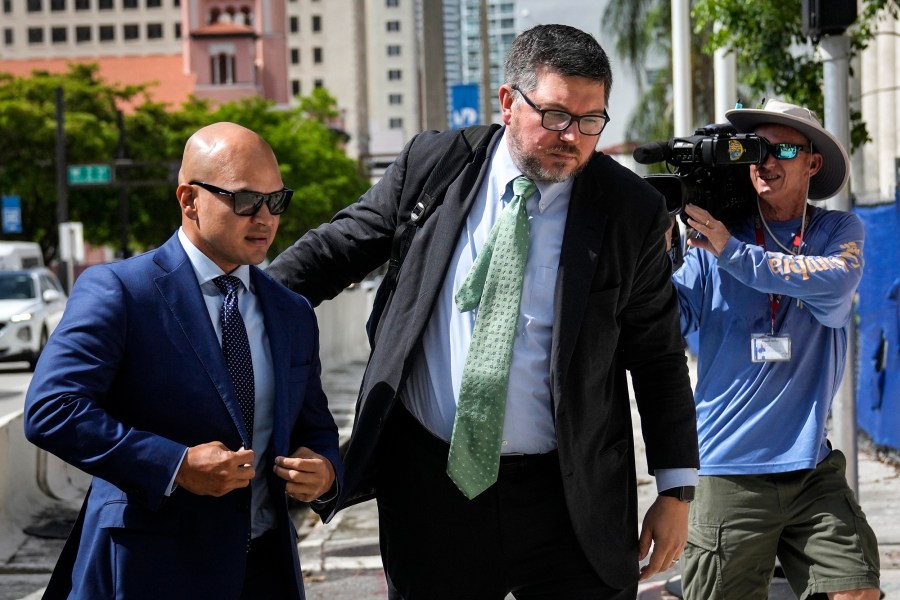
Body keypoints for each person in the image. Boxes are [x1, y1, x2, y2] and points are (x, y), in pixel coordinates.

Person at [267, 24, 699, 599]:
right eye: (554, 116)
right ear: (506, 103)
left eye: (590, 120)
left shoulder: (631, 211)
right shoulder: (435, 165)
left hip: (568, 495)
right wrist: (236, 299)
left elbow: (658, 356)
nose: (572, 136)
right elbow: (332, 253)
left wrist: (675, 491)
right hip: (432, 487)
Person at [24, 122, 342, 600]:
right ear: (189, 200)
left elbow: (312, 427)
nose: (265, 217)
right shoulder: (121, 291)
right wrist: (175, 465)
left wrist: (324, 471)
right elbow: (53, 409)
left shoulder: (291, 312)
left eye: (276, 200)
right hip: (148, 570)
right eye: (245, 200)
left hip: (267, 572)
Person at [672, 99, 881, 600]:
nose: (766, 161)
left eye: (784, 148)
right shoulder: (714, 241)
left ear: (813, 162)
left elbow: (833, 283)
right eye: (757, 149)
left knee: (857, 589)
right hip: (729, 468)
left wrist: (732, 251)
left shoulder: (837, 232)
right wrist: (654, 250)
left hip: (811, 466)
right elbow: (670, 321)